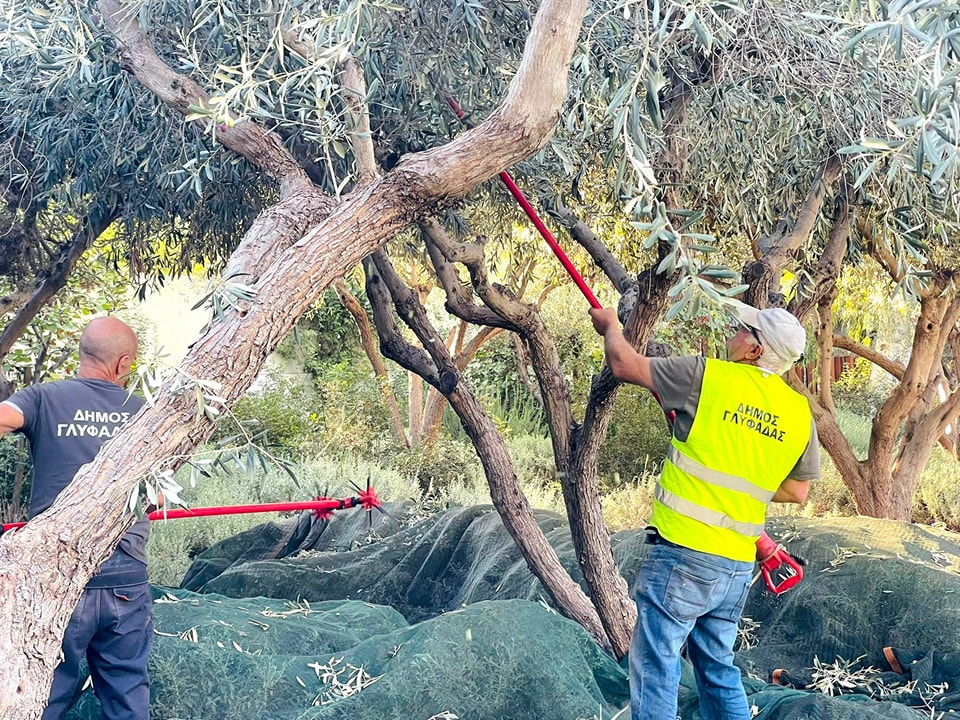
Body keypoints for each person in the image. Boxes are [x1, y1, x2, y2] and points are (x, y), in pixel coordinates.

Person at [590, 302, 820, 720]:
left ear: (754, 350)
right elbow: (797, 490)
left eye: (741, 330)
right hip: (734, 565)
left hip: (682, 554)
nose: (731, 334)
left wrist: (610, 326)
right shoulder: (797, 412)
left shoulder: (707, 376)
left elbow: (623, 363)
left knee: (657, 664)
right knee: (717, 666)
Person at [0, 317, 152, 720]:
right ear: (123, 364)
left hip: (58, 579)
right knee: (127, 695)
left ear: (81, 354)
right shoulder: (145, 413)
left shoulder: (43, 398)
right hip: (126, 580)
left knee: (45, 695)